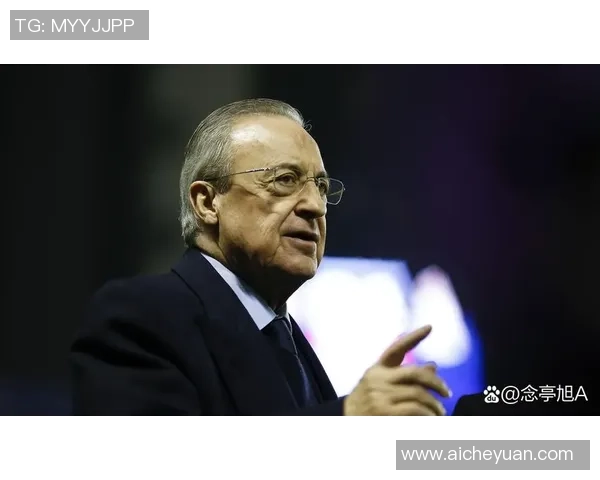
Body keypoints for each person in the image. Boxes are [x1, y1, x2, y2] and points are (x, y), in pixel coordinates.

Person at [70, 98, 452, 415]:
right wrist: (344, 420)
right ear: (207, 202)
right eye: (285, 180)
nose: (315, 206)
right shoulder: (140, 317)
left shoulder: (288, 339)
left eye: (321, 187)